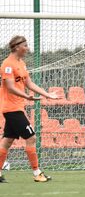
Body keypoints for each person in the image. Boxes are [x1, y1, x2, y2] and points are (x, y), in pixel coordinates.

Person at [0, 36, 61, 183]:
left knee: (7, 142)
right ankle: (37, 173)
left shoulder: (21, 63)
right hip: (11, 108)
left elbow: (30, 84)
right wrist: (28, 97)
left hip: (17, 107)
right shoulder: (7, 65)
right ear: (16, 47)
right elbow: (10, 87)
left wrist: (47, 95)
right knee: (31, 137)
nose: (27, 48)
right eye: (25, 45)